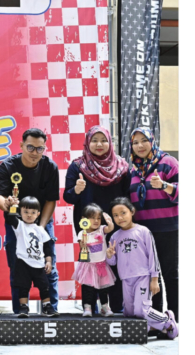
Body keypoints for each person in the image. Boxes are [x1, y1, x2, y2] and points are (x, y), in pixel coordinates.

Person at [63, 125, 129, 313]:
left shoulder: (122, 167)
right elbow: (68, 197)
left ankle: (115, 307)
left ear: (110, 142)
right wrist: (77, 189)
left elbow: (127, 197)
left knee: (114, 264)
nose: (99, 144)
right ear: (87, 142)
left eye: (103, 140)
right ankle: (89, 307)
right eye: (94, 140)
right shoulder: (77, 166)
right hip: (88, 229)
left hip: (115, 225)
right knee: (90, 266)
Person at [0, 128, 59, 313]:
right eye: (30, 147)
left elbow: (51, 200)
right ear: (21, 145)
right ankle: (20, 312)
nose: (35, 153)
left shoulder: (50, 167)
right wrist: (7, 204)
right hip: (16, 225)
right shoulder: (7, 166)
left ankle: (51, 310)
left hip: (42, 221)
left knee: (48, 267)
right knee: (18, 269)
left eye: (40, 149)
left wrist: (39, 229)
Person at [107, 197, 178, 339]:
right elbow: (113, 262)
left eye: (123, 213)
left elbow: (153, 256)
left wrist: (154, 279)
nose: (120, 218)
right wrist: (109, 255)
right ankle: (156, 326)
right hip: (126, 279)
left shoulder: (143, 231)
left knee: (142, 310)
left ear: (132, 211)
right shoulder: (114, 236)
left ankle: (167, 320)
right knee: (129, 313)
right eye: (116, 215)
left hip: (143, 277)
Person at [129, 127, 179, 325]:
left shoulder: (168, 162)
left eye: (144, 140)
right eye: (135, 142)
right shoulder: (133, 169)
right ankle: (157, 320)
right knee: (151, 276)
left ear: (152, 141)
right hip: (143, 232)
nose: (140, 146)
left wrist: (165, 186)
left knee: (169, 273)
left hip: (167, 228)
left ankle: (176, 319)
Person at [6, 196, 58, 318]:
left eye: (33, 212)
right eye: (26, 212)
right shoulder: (19, 226)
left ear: (38, 214)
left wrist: (48, 261)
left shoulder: (40, 229)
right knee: (23, 286)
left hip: (39, 264)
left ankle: (47, 307)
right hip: (23, 263)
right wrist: (13, 206)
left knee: (44, 286)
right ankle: (23, 307)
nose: (29, 215)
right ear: (20, 212)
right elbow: (11, 218)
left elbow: (47, 247)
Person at [72, 203, 116, 317]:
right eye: (92, 218)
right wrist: (83, 243)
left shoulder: (101, 229)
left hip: (102, 264)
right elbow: (82, 248)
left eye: (98, 218)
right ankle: (87, 308)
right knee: (88, 289)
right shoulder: (82, 233)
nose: (96, 221)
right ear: (84, 219)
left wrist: (110, 222)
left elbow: (110, 228)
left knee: (103, 288)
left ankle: (105, 307)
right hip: (88, 266)